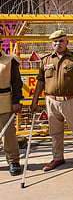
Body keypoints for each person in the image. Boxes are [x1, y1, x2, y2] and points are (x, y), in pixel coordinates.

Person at [31, 30, 73, 172]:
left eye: (61, 41)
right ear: (52, 43)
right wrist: (34, 101)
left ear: (67, 42)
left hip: (72, 100)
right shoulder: (45, 60)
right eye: (55, 41)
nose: (58, 44)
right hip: (51, 101)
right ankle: (58, 157)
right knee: (55, 132)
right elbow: (40, 81)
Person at [0, 38, 23, 176]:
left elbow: (16, 82)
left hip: (5, 100)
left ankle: (13, 160)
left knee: (8, 134)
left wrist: (16, 101)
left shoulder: (10, 60)